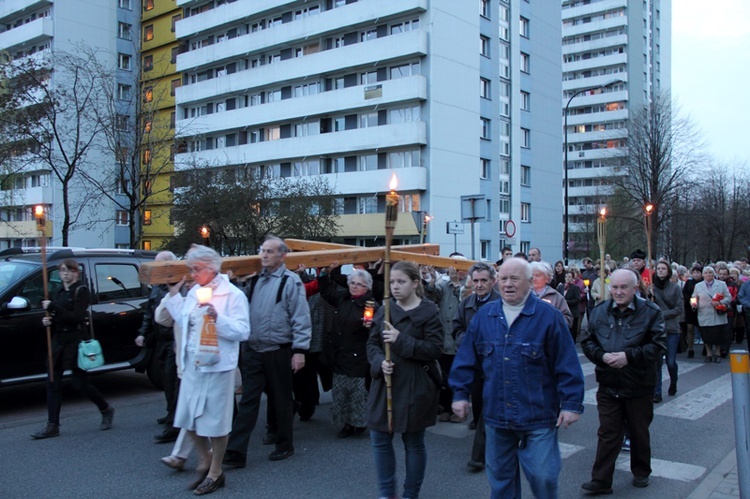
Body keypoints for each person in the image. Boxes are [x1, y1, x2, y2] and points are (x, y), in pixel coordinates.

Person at [450, 258, 584, 498]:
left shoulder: (549, 317)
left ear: (530, 283)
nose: (508, 284)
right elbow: (466, 359)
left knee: (544, 477)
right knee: (501, 483)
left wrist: (572, 404)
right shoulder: (485, 317)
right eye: (503, 278)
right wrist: (460, 393)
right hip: (497, 416)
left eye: (515, 279)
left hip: (538, 415)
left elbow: (567, 363)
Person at [163, 245, 250, 495]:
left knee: (215, 423)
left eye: (196, 269)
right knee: (188, 418)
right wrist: (174, 296)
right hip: (194, 365)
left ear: (212, 268)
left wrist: (216, 318)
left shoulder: (232, 295)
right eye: (190, 269)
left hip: (218, 366)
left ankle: (215, 471)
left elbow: (243, 331)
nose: (192, 274)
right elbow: (184, 320)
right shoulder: (194, 292)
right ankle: (206, 457)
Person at [224, 236, 312, 468]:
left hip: (278, 350)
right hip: (254, 350)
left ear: (282, 256)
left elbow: (301, 318)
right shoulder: (255, 281)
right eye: (262, 250)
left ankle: (284, 445)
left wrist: (300, 350)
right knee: (248, 401)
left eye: (270, 251)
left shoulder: (290, 282)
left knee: (282, 399)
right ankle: (235, 452)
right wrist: (235, 282)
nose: (264, 255)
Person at [580, 269, 666, 494]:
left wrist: (629, 356)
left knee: (638, 432)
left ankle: (641, 471)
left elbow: (658, 346)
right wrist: (601, 356)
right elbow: (588, 342)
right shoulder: (599, 312)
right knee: (608, 432)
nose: (618, 292)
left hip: (638, 384)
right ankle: (601, 480)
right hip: (609, 383)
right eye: (614, 287)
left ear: (635, 288)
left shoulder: (650, 312)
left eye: (623, 288)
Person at [366, 261, 443, 499]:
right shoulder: (385, 309)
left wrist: (401, 339)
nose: (395, 287)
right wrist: (379, 362)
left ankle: (411, 494)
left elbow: (434, 349)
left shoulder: (429, 312)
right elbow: (372, 343)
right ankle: (387, 494)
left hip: (415, 385)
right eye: (392, 282)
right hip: (385, 384)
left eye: (401, 282)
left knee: (413, 442)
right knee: (380, 438)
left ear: (415, 283)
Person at [31, 259, 115, 439]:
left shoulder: (81, 291)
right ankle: (52, 425)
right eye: (62, 271)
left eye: (69, 270)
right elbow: (59, 317)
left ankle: (105, 408)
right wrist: (49, 321)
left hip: (75, 341)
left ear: (76, 273)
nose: (65, 274)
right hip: (59, 342)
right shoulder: (59, 292)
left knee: (80, 384)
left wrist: (53, 308)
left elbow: (76, 317)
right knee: (52, 384)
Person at [318, 263, 377, 438]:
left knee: (357, 393)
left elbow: (378, 328)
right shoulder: (344, 299)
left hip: (358, 355)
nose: (354, 286)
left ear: (366, 287)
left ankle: (358, 423)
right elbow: (327, 292)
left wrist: (371, 325)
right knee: (340, 391)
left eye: (359, 284)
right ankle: (346, 423)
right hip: (340, 354)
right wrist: (323, 274)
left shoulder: (370, 304)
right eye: (352, 283)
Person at [451, 261, 500, 472]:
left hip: (496, 364)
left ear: (493, 282)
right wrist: (467, 341)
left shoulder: (501, 302)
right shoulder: (467, 303)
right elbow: (456, 328)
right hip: (475, 364)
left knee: (489, 410)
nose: (479, 285)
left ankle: (480, 456)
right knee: (479, 406)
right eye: (476, 281)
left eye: (483, 281)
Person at [135, 250, 182, 444]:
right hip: (160, 341)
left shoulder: (177, 286)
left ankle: (174, 424)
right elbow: (149, 312)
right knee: (165, 379)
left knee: (172, 381)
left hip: (173, 341)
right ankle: (170, 412)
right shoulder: (156, 287)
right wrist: (143, 333)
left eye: (161, 264)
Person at [424, 256, 468, 423]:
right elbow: (431, 298)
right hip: (444, 338)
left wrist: (457, 283)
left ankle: (459, 410)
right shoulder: (444, 283)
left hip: (459, 339)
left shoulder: (468, 284)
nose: (454, 271)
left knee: (458, 376)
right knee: (443, 375)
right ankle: (445, 406)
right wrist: (432, 281)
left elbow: (464, 300)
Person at [652, 261, 682, 401]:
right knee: (657, 361)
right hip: (657, 329)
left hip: (671, 328)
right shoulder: (652, 288)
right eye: (658, 268)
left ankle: (674, 381)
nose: (660, 271)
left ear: (668, 271)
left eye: (663, 268)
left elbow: (679, 309)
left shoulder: (675, 288)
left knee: (670, 361)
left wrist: (662, 314)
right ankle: (657, 391)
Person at [692, 266, 731, 363]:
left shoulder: (721, 284)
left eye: (710, 272)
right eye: (706, 273)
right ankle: (709, 353)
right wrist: (694, 304)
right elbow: (694, 297)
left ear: (714, 274)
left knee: (718, 335)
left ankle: (717, 353)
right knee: (706, 335)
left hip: (717, 314)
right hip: (704, 313)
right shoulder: (698, 286)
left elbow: (728, 297)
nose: (708, 274)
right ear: (703, 275)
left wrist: (720, 303)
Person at [530, 261, 573, 329]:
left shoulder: (556, 297)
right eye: (532, 275)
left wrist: (551, 318)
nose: (534, 279)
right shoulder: (524, 295)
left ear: (547, 278)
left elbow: (568, 320)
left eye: (538, 275)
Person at [682, 265, 703, 358]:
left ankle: (706, 348)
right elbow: (685, 293)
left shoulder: (703, 283)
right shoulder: (689, 283)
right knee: (690, 328)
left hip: (702, 307)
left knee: (702, 328)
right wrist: (690, 301)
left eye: (698, 272)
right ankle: (690, 348)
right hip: (690, 308)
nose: (696, 274)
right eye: (694, 272)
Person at [563, 269, 582, 343]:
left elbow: (578, 299)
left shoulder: (575, 288)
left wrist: (567, 302)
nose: (567, 278)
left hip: (573, 313)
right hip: (563, 312)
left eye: (569, 277)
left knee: (572, 333)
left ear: (572, 278)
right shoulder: (561, 287)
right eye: (566, 276)